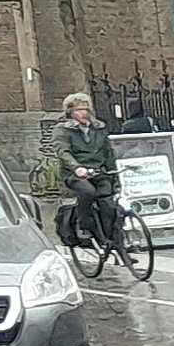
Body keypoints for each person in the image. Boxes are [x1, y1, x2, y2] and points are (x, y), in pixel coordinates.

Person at [57, 93, 124, 255]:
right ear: (71, 111)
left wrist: (113, 174)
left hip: (98, 171)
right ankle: (84, 224)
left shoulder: (99, 128)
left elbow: (108, 153)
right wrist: (77, 167)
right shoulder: (64, 130)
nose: (84, 113)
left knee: (108, 202)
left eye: (86, 109)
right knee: (88, 191)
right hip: (75, 174)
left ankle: (111, 242)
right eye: (80, 109)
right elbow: (63, 152)